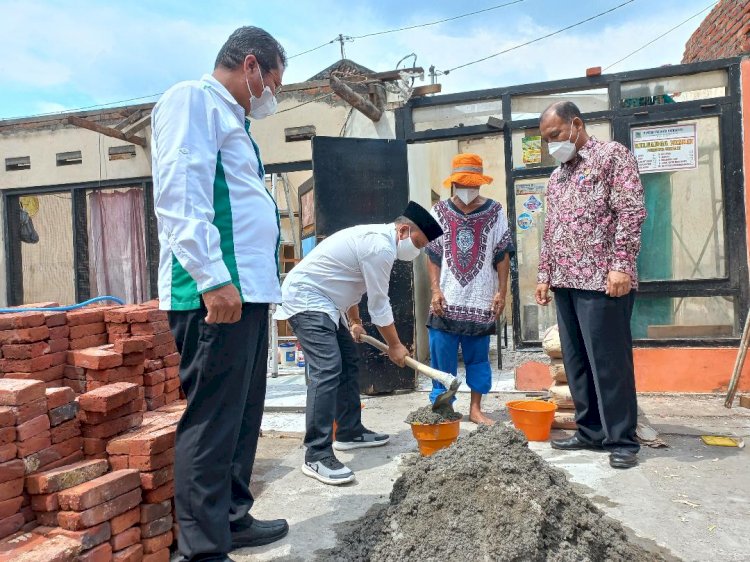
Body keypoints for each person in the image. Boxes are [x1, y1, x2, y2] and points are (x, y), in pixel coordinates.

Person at [151, 26, 289, 561]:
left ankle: (232, 517)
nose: (273, 94)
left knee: (241, 415)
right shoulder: (192, 100)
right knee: (210, 421)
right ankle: (202, 549)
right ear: (251, 65)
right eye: (273, 81)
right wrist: (212, 277)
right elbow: (180, 193)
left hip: (245, 294)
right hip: (213, 294)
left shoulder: (235, 120)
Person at [276, 202, 443, 486]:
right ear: (403, 230)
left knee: (348, 363)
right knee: (327, 369)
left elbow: (353, 285)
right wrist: (395, 345)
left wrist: (354, 321)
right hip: (307, 298)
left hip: (329, 302)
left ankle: (349, 432)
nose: (416, 251)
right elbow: (379, 305)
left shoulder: (378, 241)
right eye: (417, 242)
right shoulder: (380, 247)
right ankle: (316, 454)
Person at [535, 101, 647, 469]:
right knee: (577, 361)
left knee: (609, 362)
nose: (552, 145)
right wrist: (544, 275)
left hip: (603, 281)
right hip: (565, 281)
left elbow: (631, 211)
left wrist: (622, 266)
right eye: (546, 140)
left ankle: (622, 439)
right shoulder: (557, 177)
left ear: (576, 124)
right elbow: (551, 230)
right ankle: (590, 431)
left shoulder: (612, 156)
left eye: (555, 135)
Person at [425, 153, 513, 425]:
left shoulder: (495, 211)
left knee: (478, 360)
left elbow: (503, 254)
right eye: (462, 184)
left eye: (472, 184)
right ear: (453, 184)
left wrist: (502, 292)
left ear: (480, 184)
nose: (467, 189)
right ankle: (444, 409)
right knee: (441, 362)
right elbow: (432, 254)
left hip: (480, 299)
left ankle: (476, 409)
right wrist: (435, 290)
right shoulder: (438, 211)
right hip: (446, 300)